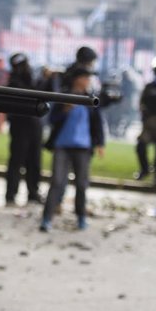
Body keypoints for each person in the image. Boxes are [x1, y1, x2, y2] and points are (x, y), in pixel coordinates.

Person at [40, 67, 105, 232]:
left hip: (83, 147)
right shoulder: (65, 96)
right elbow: (52, 118)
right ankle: (47, 218)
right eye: (85, 77)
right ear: (77, 79)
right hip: (62, 145)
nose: (88, 81)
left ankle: (81, 216)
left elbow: (97, 122)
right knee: (57, 182)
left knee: (82, 184)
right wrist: (65, 110)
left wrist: (100, 143)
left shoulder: (91, 99)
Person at [4, 52, 43, 206]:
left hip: (34, 124)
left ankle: (33, 192)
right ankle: (11, 194)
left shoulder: (34, 78)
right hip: (20, 125)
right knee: (17, 161)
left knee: (34, 160)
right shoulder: (14, 82)